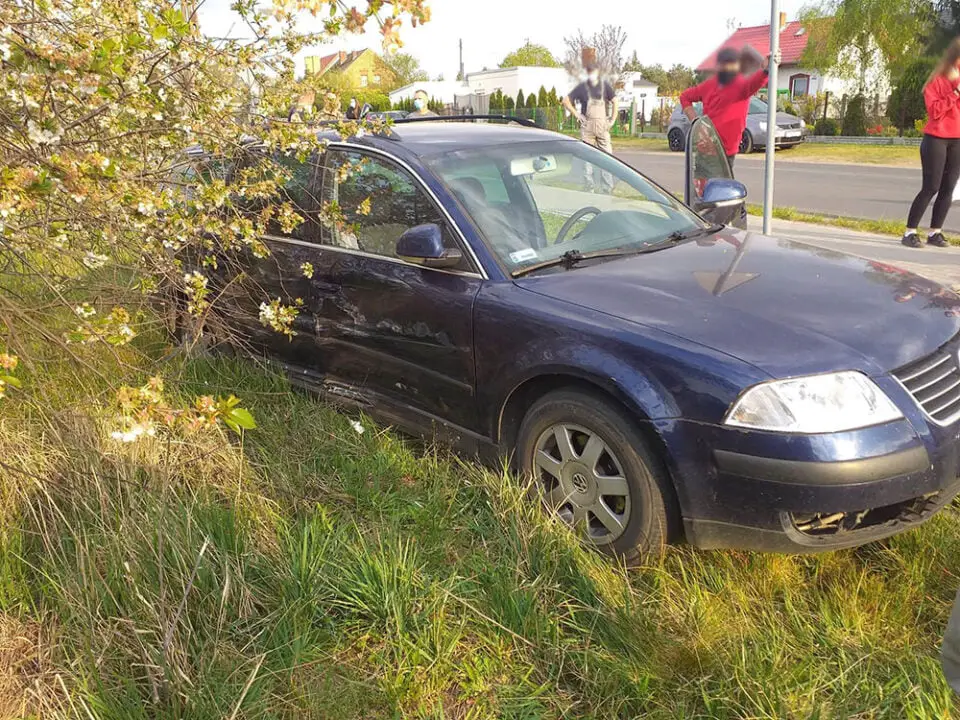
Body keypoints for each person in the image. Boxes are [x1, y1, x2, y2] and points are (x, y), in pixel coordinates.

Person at [903, 38, 960, 248]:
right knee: (931, 187)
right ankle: (910, 232)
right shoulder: (936, 80)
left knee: (948, 188)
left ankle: (935, 232)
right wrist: (956, 92)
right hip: (936, 138)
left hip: (957, 139)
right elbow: (935, 112)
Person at [679, 45, 771, 170]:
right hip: (707, 149)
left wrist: (766, 71)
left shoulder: (741, 85)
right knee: (708, 181)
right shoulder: (709, 85)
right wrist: (695, 121)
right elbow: (685, 97)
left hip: (725, 151)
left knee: (719, 181)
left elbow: (756, 82)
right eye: (724, 64)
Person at [562, 55, 618, 191]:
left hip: (602, 126)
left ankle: (607, 189)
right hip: (587, 127)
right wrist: (577, 114)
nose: (592, 73)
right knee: (587, 160)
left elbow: (615, 102)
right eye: (590, 71)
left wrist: (612, 120)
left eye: (594, 71)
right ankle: (589, 188)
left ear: (598, 72)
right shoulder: (582, 87)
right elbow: (565, 101)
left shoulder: (605, 86)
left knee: (607, 159)